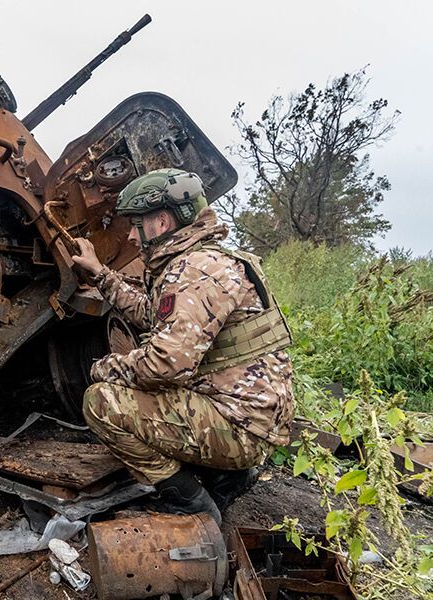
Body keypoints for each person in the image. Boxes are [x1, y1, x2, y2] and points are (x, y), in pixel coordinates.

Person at [71, 168, 294, 524]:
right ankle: (228, 477)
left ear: (161, 221)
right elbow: (152, 313)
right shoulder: (208, 260)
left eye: (136, 223)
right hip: (251, 418)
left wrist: (105, 368)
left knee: (101, 403)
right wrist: (100, 274)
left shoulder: (194, 270)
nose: (130, 235)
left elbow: (165, 364)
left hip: (240, 428)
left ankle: (191, 503)